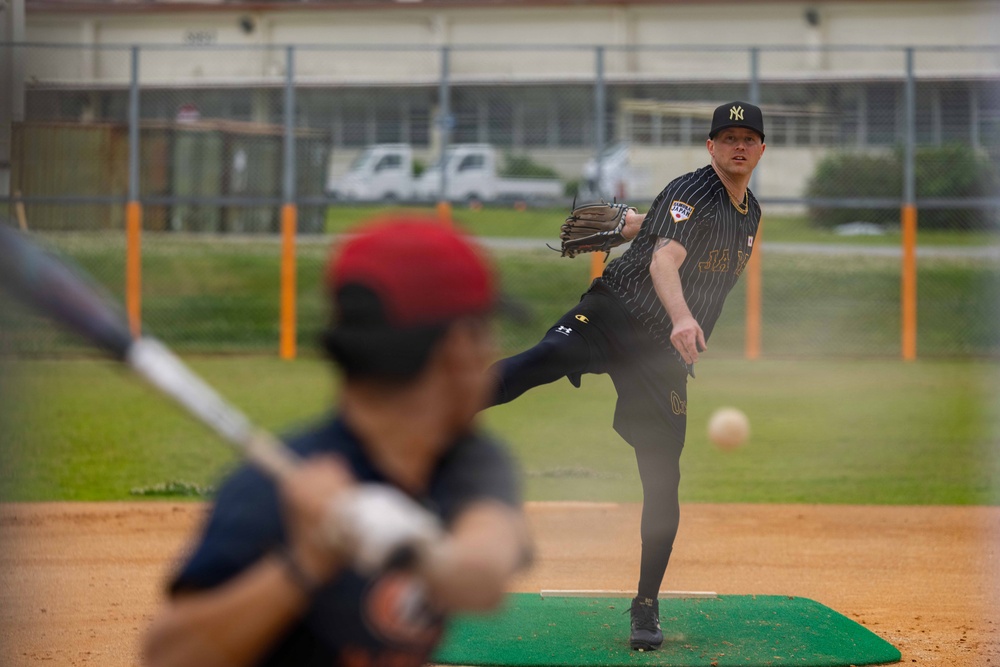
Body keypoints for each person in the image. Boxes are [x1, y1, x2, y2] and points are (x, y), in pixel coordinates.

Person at [144, 218, 532, 667]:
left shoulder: (468, 461)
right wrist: (305, 562)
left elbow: (482, 580)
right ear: (460, 348)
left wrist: (411, 544)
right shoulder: (266, 496)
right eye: (487, 332)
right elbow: (167, 655)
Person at [489, 101, 766, 651]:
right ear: (710, 147)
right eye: (727, 137)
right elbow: (665, 260)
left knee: (663, 480)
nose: (738, 145)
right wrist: (683, 316)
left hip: (661, 358)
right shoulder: (695, 189)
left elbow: (667, 230)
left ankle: (645, 605)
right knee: (541, 359)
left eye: (748, 138)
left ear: (760, 149)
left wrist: (641, 224)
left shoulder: (749, 212)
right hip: (615, 312)